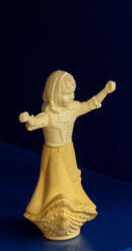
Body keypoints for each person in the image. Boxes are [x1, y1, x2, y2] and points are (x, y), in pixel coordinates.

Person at [19, 71, 116, 240]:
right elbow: (37, 122)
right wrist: (29, 120)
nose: (71, 96)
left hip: (68, 152)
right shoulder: (49, 115)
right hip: (53, 156)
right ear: (54, 93)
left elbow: (90, 104)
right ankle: (54, 215)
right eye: (66, 93)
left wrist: (105, 91)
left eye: (72, 92)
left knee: (72, 183)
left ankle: (72, 212)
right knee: (55, 185)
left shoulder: (72, 109)